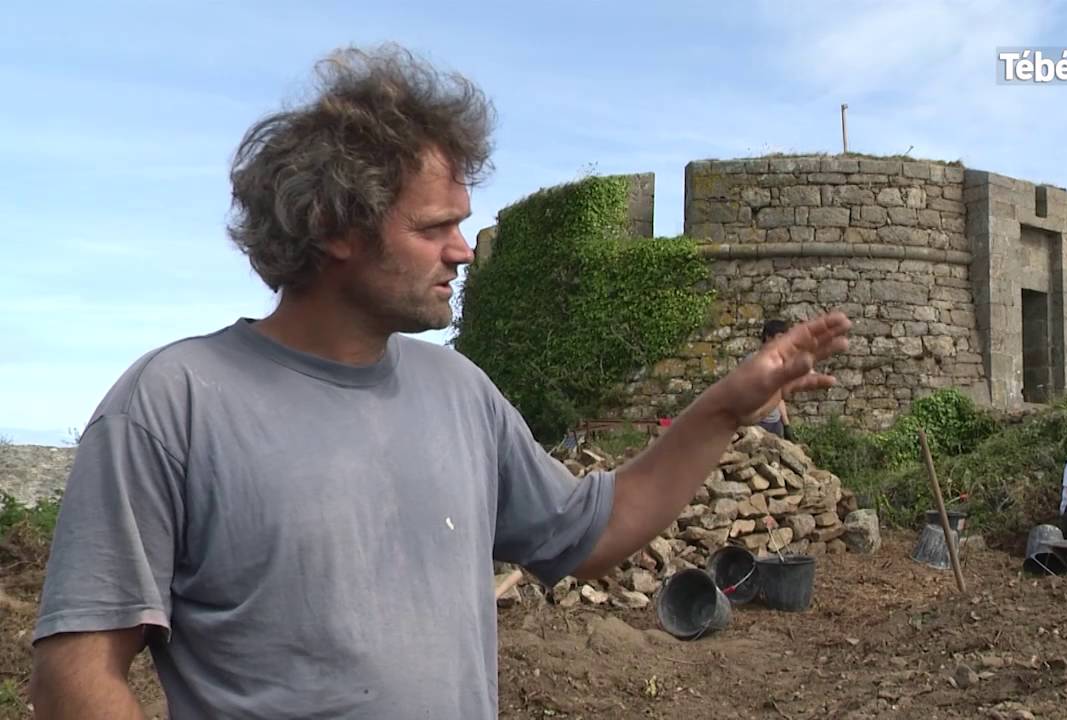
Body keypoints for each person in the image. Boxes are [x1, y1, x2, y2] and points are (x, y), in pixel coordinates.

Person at [28, 44, 852, 720]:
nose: (463, 250)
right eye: (434, 227)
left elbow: (590, 536)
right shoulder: (173, 403)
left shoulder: (458, 389)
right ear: (332, 228)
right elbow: (77, 673)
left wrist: (723, 410)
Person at [755, 320, 795, 440]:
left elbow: (778, 396)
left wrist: (786, 424)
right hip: (758, 426)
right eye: (779, 337)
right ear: (768, 337)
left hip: (776, 424)